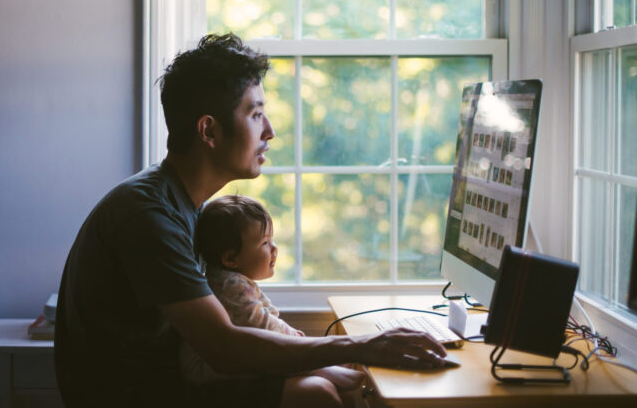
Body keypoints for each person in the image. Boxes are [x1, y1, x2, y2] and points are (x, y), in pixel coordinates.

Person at [54, 33, 447, 408]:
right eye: (256, 114)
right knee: (316, 395)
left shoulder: (182, 204)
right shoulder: (149, 216)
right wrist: (362, 346)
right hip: (133, 399)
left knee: (334, 383)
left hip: (166, 382)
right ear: (209, 130)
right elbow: (224, 348)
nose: (270, 131)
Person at [180, 195, 365, 405]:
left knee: (345, 396)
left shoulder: (233, 281)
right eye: (265, 243)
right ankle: (316, 367)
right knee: (319, 388)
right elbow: (265, 328)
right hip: (208, 375)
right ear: (231, 258)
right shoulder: (231, 287)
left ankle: (317, 367)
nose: (274, 249)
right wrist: (305, 345)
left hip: (226, 365)